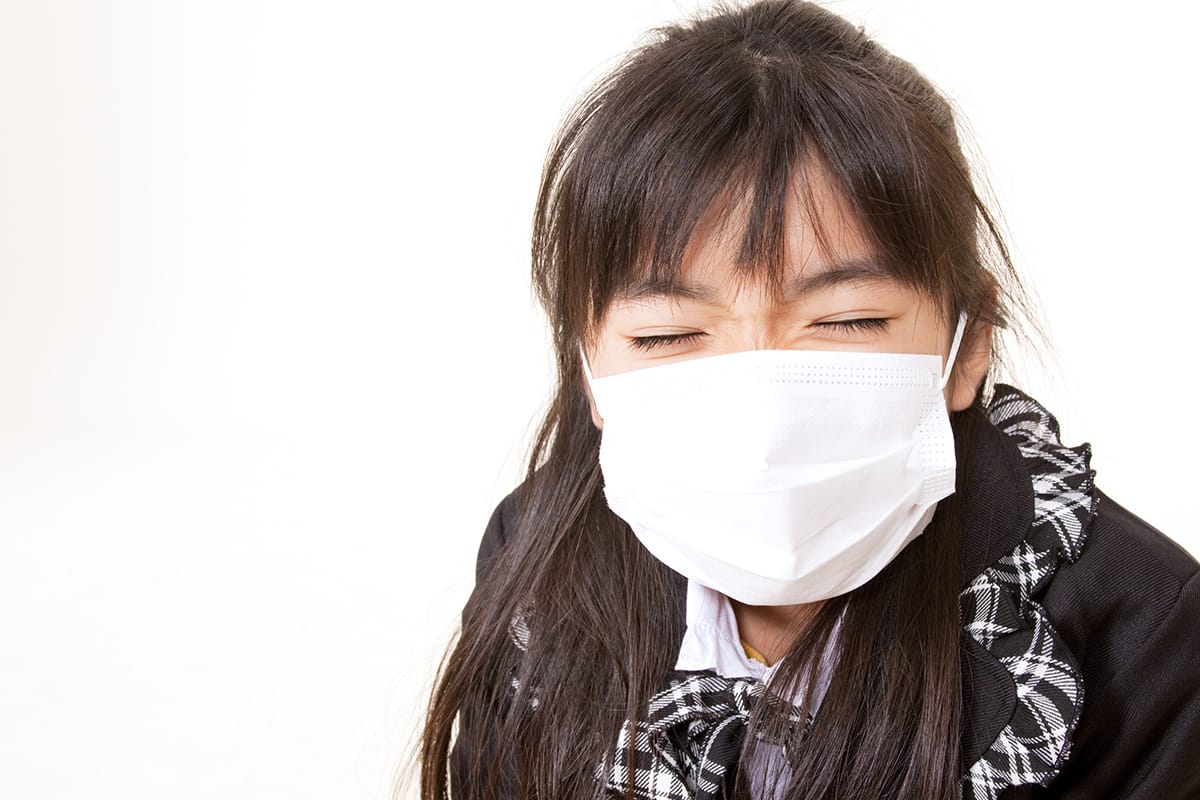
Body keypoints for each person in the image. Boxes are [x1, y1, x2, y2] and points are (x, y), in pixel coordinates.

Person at [418, 2, 1200, 798]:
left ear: (968, 346)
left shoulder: (1140, 631)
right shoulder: (539, 561)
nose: (762, 414)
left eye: (846, 320)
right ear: (590, 367)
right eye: (667, 335)